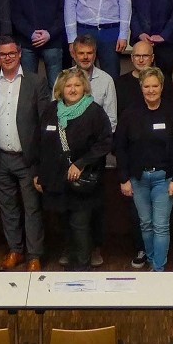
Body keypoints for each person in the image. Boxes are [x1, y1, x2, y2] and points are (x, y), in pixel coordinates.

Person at [35, 67, 113, 271]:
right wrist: (39, 174)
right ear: (61, 88)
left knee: (80, 225)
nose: (72, 89)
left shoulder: (94, 111)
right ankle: (71, 265)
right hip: (56, 181)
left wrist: (81, 163)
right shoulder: (52, 110)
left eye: (77, 85)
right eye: (68, 85)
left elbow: (105, 143)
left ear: (84, 88)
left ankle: (82, 268)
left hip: (83, 182)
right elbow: (41, 143)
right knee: (64, 224)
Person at [0, 36, 48, 271]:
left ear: (20, 54)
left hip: (27, 158)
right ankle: (15, 251)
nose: (7, 58)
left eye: (11, 53)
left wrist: (41, 160)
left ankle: (34, 256)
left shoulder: (35, 81)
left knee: (32, 209)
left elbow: (44, 122)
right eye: (2, 54)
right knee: (7, 208)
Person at [115, 67, 173, 272]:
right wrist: (123, 178)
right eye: (147, 86)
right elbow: (120, 147)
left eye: (155, 86)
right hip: (138, 179)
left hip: (165, 179)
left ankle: (158, 269)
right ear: (141, 88)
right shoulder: (130, 113)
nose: (151, 90)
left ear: (162, 87)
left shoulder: (172, 112)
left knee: (161, 225)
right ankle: (151, 258)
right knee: (145, 224)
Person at [70, 34, 118, 268]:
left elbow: (111, 120)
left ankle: (95, 248)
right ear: (74, 54)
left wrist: (93, 150)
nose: (86, 57)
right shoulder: (64, 78)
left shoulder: (106, 80)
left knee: (95, 205)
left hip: (96, 155)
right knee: (68, 204)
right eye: (81, 53)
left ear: (95, 54)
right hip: (69, 155)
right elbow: (55, 112)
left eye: (89, 53)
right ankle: (73, 249)